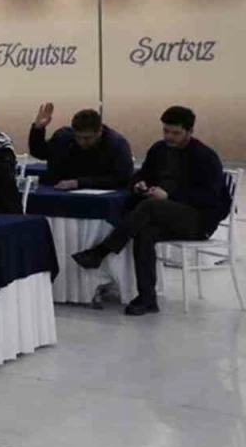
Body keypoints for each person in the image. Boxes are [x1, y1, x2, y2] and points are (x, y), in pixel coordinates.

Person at [72, 106, 230, 316]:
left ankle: (101, 252)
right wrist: (139, 185)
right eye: (166, 131)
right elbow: (140, 175)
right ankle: (147, 298)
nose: (169, 137)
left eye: (175, 133)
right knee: (144, 231)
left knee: (150, 206)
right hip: (165, 215)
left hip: (198, 220)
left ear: (190, 131)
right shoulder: (159, 150)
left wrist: (170, 196)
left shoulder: (205, 157)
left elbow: (210, 197)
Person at [28, 104, 133, 190]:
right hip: (60, 190)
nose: (82, 142)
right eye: (78, 137)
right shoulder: (63, 137)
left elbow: (122, 177)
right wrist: (38, 130)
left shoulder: (116, 144)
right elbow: (40, 152)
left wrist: (79, 183)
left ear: (100, 131)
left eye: (87, 138)